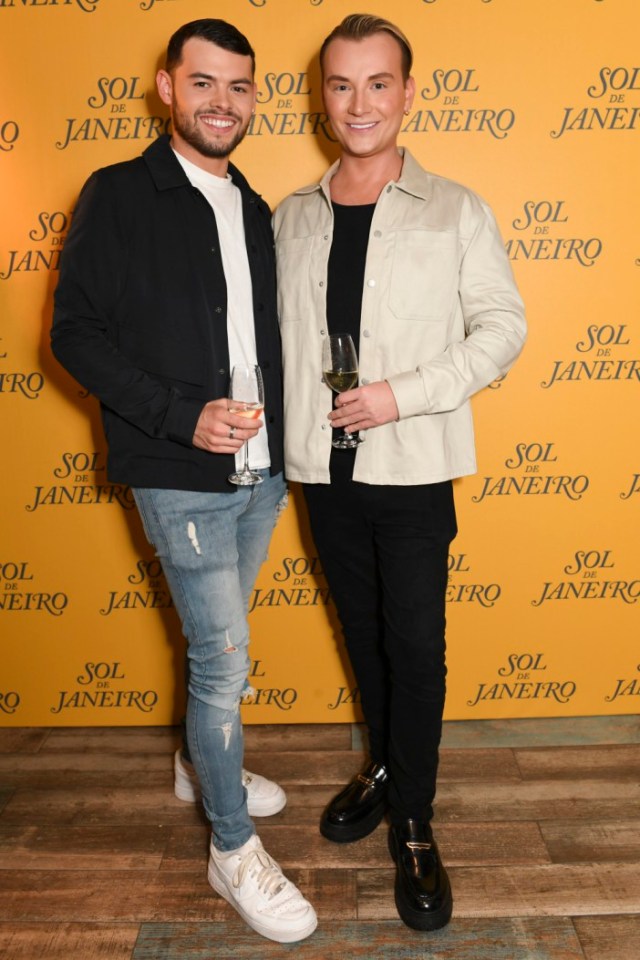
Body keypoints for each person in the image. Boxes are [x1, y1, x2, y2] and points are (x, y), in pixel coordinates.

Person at [51, 18, 317, 945]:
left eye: (239, 88)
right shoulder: (119, 194)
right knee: (224, 662)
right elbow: (74, 333)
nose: (223, 103)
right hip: (178, 473)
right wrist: (178, 413)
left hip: (261, 473)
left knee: (221, 653)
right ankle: (231, 845)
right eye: (203, 84)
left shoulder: (251, 203)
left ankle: (199, 765)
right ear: (167, 88)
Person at [273, 13, 526, 933]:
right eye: (341, 85)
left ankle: (414, 817)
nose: (360, 103)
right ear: (323, 98)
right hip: (322, 474)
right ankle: (382, 766)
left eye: (379, 83)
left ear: (408, 94)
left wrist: (403, 393)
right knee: (365, 638)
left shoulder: (457, 209)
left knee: (416, 647)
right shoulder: (291, 216)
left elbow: (503, 328)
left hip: (415, 469)